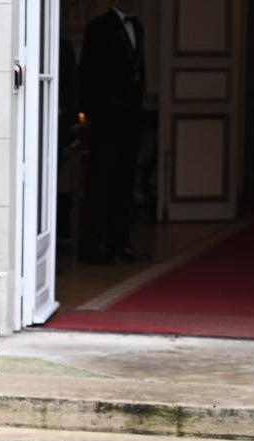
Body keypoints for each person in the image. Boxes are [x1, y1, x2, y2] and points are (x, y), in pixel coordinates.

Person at [79, 0, 146, 263]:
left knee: (124, 183)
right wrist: (90, 116)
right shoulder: (98, 27)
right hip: (106, 120)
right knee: (100, 183)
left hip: (131, 119)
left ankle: (120, 244)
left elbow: (140, 70)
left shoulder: (138, 27)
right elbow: (88, 73)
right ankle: (93, 247)